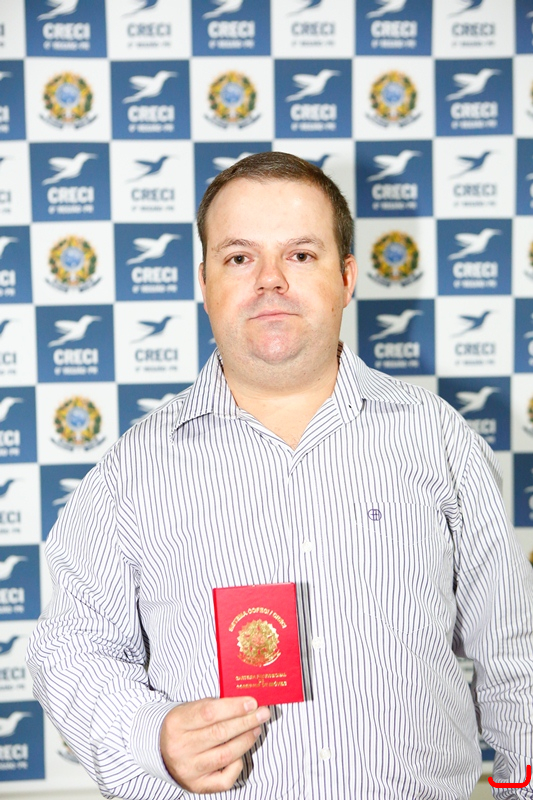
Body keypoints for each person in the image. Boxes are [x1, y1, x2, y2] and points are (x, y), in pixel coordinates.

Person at [27, 152, 533, 799]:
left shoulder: (436, 438)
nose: (270, 280)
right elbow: (70, 648)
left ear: (346, 276)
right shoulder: (134, 467)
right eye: (240, 257)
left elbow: (513, 653)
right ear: (204, 281)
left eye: (300, 254)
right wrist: (149, 734)